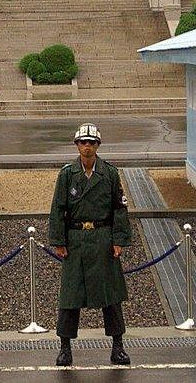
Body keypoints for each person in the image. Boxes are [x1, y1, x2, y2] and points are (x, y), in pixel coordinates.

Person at [48, 123, 131, 367]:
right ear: (76, 144)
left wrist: (119, 239)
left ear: (98, 146)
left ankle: (118, 346)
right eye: (83, 142)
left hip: (102, 239)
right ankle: (65, 348)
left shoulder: (109, 173)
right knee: (70, 297)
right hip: (75, 241)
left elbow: (119, 207)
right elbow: (58, 209)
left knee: (111, 296)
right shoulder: (66, 174)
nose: (87, 146)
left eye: (91, 143)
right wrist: (59, 241)